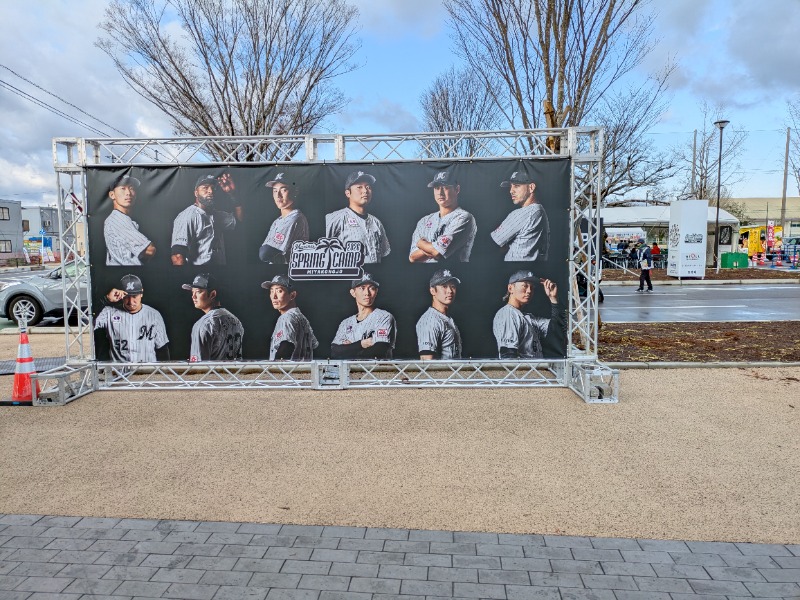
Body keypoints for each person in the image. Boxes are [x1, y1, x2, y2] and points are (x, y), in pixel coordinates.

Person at [94, 274, 169, 362]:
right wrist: (106, 299)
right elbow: (88, 324)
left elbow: (162, 348)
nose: (130, 301)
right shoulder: (109, 312)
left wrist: (165, 369)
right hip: (119, 369)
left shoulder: (154, 315)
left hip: (148, 369)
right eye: (126, 297)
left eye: (134, 296)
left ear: (141, 293)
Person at [492, 270, 564, 359]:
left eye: (532, 287)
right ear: (510, 288)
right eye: (525, 286)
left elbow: (555, 329)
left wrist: (553, 298)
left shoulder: (528, 317)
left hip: (534, 367)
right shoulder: (508, 314)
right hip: (524, 368)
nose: (529, 291)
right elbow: (508, 356)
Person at [409, 170, 476, 263]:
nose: (440, 193)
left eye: (446, 187)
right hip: (426, 270)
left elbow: (437, 252)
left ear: (457, 189)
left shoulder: (464, 217)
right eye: (437, 188)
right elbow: (412, 258)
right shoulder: (424, 221)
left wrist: (420, 243)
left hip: (455, 270)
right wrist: (433, 248)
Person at [171, 174, 237, 266]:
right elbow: (177, 256)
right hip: (198, 272)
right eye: (205, 188)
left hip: (219, 271)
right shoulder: (187, 216)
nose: (210, 191)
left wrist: (233, 194)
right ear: (196, 193)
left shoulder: (217, 215)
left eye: (213, 188)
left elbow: (239, 221)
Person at [325, 171, 390, 264]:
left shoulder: (376, 222)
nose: (365, 191)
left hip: (375, 272)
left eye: (368, 187)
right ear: (348, 193)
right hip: (350, 272)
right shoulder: (335, 218)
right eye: (359, 187)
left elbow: (384, 254)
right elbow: (322, 252)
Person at [330, 273, 396, 359]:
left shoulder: (384, 317)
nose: (367, 293)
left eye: (372, 288)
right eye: (362, 288)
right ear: (353, 292)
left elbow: (379, 351)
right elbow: (334, 352)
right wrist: (362, 344)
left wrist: (349, 348)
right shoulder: (346, 323)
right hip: (350, 368)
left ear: (376, 291)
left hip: (375, 367)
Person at [182, 273, 244, 362]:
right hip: (235, 370)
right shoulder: (236, 320)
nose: (193, 296)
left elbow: (198, 366)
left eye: (198, 292)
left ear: (213, 294)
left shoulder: (204, 323)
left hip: (212, 371)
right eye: (192, 292)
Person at [490, 170, 550, 261]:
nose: (511, 191)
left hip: (516, 265)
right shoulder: (539, 210)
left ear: (531, 187)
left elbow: (492, 244)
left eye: (517, 186)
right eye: (510, 186)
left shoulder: (527, 212)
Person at [262, 274, 318, 360]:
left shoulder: (286, 317)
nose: (274, 296)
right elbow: (314, 344)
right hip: (302, 367)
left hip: (288, 368)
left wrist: (275, 367)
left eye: (279, 291)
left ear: (292, 295)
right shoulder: (302, 318)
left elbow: (286, 346)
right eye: (271, 291)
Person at [103, 174, 156, 266]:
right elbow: (150, 250)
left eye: (131, 188)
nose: (128, 193)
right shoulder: (117, 219)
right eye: (123, 188)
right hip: (126, 272)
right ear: (112, 195)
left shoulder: (123, 218)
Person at [258, 172, 309, 264]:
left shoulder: (295, 218)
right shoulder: (278, 221)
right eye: (275, 191)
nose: (278, 196)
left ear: (295, 191)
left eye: (283, 190)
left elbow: (264, 253)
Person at [415, 269, 462, 360]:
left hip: (453, 369)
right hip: (443, 370)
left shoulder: (446, 317)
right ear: (432, 291)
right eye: (444, 286)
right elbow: (427, 362)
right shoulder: (430, 321)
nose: (450, 291)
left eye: (453, 286)